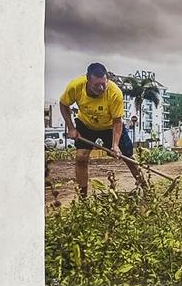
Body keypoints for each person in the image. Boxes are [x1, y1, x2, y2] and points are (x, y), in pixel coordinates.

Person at [59, 62, 145, 194]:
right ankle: (83, 198)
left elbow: (117, 121)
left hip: (110, 126)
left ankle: (145, 186)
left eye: (103, 84)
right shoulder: (75, 87)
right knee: (81, 157)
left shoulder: (115, 93)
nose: (100, 88)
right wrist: (71, 128)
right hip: (86, 124)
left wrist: (115, 145)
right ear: (88, 80)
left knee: (128, 157)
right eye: (96, 85)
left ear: (107, 80)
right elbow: (63, 104)